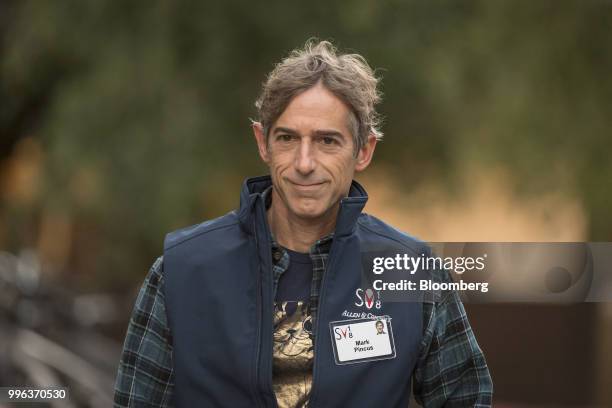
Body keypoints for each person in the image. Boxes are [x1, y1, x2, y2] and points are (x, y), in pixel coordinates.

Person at [114, 39, 493, 407]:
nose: (305, 163)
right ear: (263, 142)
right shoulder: (181, 271)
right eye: (287, 138)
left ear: (364, 150)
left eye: (327, 141)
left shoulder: (410, 273)